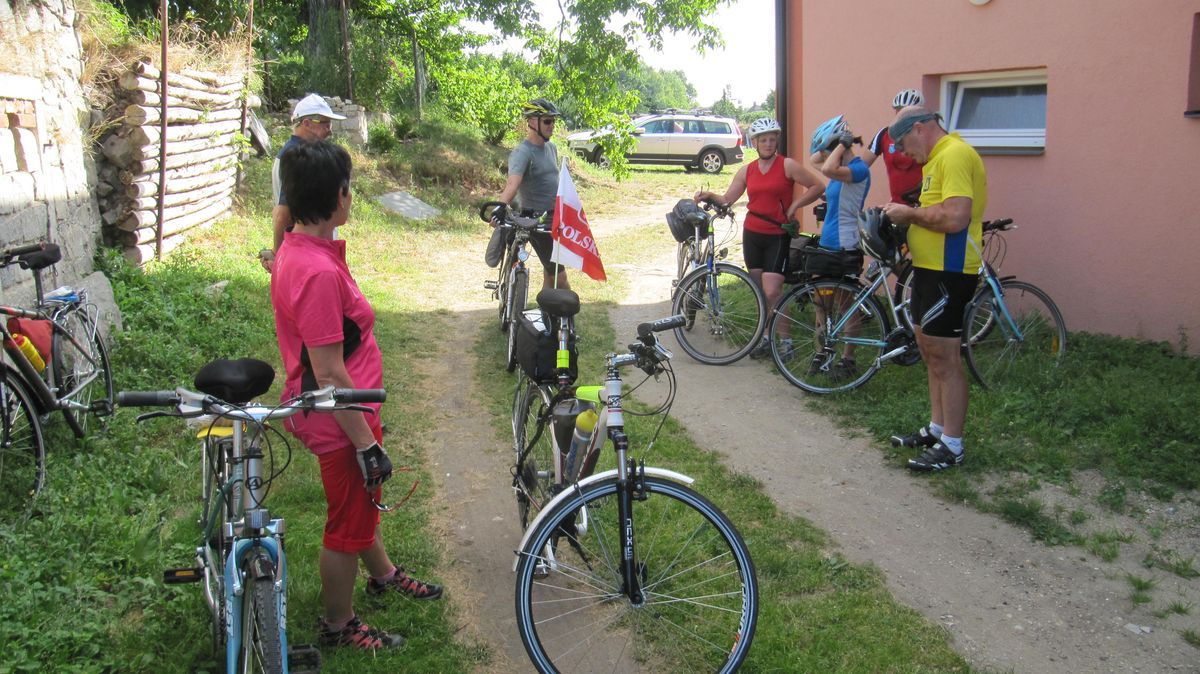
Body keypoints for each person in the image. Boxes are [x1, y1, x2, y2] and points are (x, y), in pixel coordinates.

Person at [271, 140, 444, 652]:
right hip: (338, 419)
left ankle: (383, 574)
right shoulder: (317, 272)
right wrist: (366, 444)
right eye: (349, 188)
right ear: (339, 197)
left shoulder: (300, 250)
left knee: (361, 505)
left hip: (345, 412)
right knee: (346, 523)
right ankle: (339, 623)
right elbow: (328, 373)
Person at [881, 106, 988, 472]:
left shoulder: (955, 155)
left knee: (945, 356)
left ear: (920, 129)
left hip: (950, 269)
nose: (902, 153)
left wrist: (909, 214)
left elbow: (956, 217)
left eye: (902, 144)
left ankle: (953, 444)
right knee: (929, 351)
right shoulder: (936, 160)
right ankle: (938, 429)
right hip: (928, 269)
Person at [693, 117, 825, 358]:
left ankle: (786, 341)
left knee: (773, 290)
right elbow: (727, 199)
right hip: (753, 234)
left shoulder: (787, 165)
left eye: (772, 139)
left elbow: (817, 186)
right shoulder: (747, 170)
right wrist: (709, 195)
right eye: (763, 140)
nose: (768, 143)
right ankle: (765, 337)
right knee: (760, 292)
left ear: (777, 141)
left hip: (777, 234)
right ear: (754, 142)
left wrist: (794, 206)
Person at [807, 115, 871, 378]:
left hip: (845, 245)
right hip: (828, 242)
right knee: (821, 302)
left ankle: (848, 359)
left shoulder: (858, 169)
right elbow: (815, 159)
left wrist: (843, 144)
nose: (825, 155)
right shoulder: (838, 164)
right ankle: (822, 351)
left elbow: (826, 169)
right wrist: (834, 145)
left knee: (845, 305)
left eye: (828, 149)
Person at [259, 93, 344, 272]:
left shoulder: (296, 154)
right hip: (308, 253)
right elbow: (283, 213)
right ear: (306, 123)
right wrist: (277, 254)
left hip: (305, 250)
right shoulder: (298, 158)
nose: (330, 130)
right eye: (325, 123)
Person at [494, 97, 570, 291]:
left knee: (549, 271)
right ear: (533, 122)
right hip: (533, 219)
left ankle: (546, 307)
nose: (552, 125)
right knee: (559, 277)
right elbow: (512, 184)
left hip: (553, 219)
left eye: (553, 121)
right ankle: (568, 309)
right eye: (547, 121)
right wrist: (499, 208)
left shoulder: (551, 148)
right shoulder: (523, 152)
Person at [863, 89, 926, 205]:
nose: (901, 115)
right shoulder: (884, 135)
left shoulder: (926, 135)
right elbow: (862, 165)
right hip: (896, 204)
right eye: (898, 110)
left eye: (906, 111)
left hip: (924, 204)